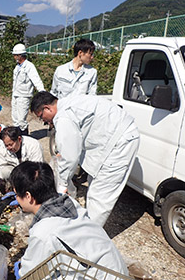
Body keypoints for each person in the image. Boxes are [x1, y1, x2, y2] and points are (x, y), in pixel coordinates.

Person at [31, 91, 139, 226]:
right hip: (109, 138)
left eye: (41, 117)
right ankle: (87, 225)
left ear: (47, 108)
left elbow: (70, 157)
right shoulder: (69, 100)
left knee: (99, 195)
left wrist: (63, 184)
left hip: (120, 142)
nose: (44, 122)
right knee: (93, 181)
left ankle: (89, 236)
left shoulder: (64, 116)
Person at [10, 161, 128, 278]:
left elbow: (30, 274)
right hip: (115, 270)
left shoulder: (43, 233)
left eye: (16, 194)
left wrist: (20, 270)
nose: (16, 199)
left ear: (28, 196)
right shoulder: (69, 203)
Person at [0, 126, 43, 194]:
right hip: (15, 171)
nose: (8, 148)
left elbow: (37, 168)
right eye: (6, 145)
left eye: (11, 144)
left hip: (31, 173)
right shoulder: (2, 149)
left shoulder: (33, 145)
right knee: (4, 171)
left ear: (19, 139)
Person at [11, 43, 45, 136]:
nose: (14, 57)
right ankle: (17, 138)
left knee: (21, 120)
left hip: (24, 96)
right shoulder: (17, 66)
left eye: (15, 55)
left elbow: (36, 80)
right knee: (15, 119)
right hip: (15, 95)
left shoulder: (29, 66)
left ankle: (25, 138)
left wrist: (42, 93)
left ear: (20, 55)